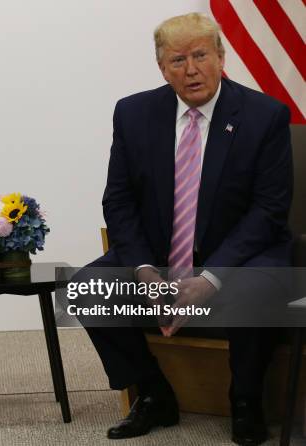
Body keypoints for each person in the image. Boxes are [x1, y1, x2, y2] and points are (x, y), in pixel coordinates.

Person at [82, 13, 293, 446]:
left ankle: (246, 399)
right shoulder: (134, 113)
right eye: (177, 60)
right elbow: (118, 201)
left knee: (255, 290)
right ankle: (154, 394)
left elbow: (269, 210)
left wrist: (210, 277)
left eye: (200, 55)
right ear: (162, 68)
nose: (191, 69)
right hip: (160, 255)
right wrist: (142, 270)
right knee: (88, 288)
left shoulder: (264, 115)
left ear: (220, 56)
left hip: (243, 255)